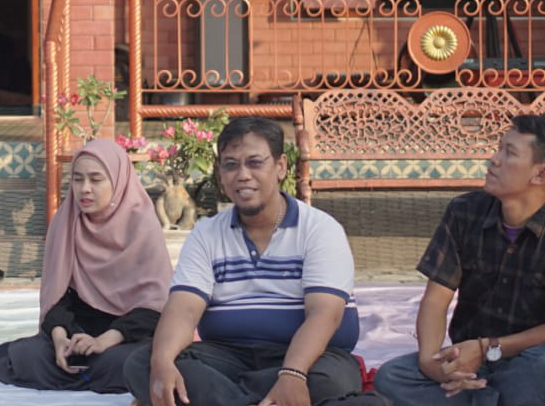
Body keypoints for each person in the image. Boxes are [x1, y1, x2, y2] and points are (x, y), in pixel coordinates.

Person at [123, 116, 365, 406]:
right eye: (230, 164)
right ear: (221, 175)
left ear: (280, 167)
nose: (242, 175)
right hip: (228, 355)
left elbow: (324, 315)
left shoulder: (319, 229)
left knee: (331, 380)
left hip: (308, 359)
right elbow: (184, 311)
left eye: (254, 162)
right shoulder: (207, 233)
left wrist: (292, 373)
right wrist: (162, 362)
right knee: (143, 364)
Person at [374, 115, 545, 406]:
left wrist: (489, 348)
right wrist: (433, 364)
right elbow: (435, 300)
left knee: (542, 369)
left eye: (509, 153)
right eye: (498, 148)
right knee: (393, 377)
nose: (493, 160)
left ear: (541, 175)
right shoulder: (464, 211)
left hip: (529, 357)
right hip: (470, 360)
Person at [0, 138, 171, 394]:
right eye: (77, 179)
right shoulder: (67, 221)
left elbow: (155, 306)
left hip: (126, 336)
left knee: (126, 362)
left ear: (118, 182)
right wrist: (62, 337)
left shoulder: (142, 226)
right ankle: (84, 369)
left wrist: (105, 341)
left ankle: (87, 370)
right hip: (78, 330)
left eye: (96, 180)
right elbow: (57, 295)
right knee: (27, 356)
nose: (84, 189)